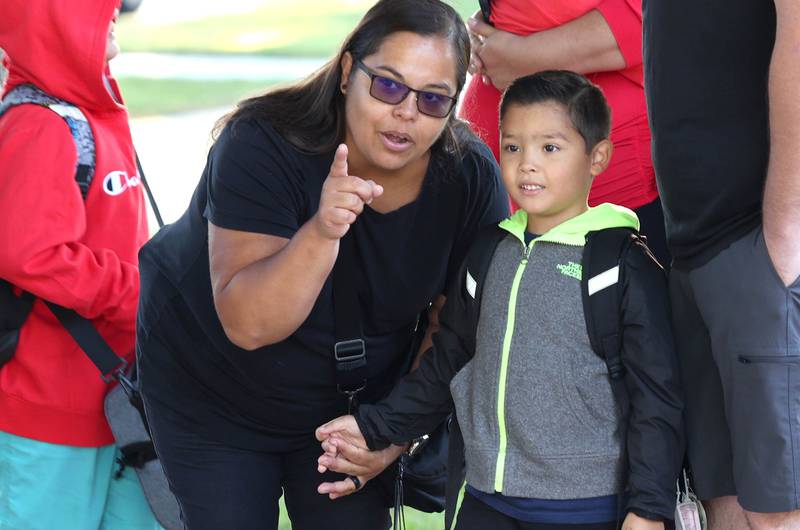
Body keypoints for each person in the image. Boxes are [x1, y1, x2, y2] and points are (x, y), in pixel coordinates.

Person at [134, 0, 509, 528]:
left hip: (351, 402)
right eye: (389, 86)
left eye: (432, 99)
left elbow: (459, 327)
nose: (407, 112)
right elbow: (250, 324)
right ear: (348, 71)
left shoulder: (467, 176)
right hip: (214, 389)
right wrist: (322, 231)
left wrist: (390, 433)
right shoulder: (262, 142)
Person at [317, 71, 684, 530]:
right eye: (513, 147)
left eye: (550, 148)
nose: (527, 164)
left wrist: (648, 509)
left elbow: (656, 397)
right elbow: (448, 360)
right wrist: (376, 428)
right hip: (487, 500)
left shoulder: (621, 265)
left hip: (587, 508)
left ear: (597, 157)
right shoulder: (488, 251)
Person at [0, 1, 161, 529]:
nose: (114, 10)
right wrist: (143, 296)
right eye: (99, 5)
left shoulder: (95, 113)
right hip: (49, 415)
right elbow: (30, 253)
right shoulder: (38, 123)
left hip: (120, 406)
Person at [644, 1, 800, 529]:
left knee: (778, 507)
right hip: (694, 244)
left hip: (758, 241)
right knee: (723, 495)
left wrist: (786, 234)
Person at [459, 0, 669, 266]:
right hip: (496, 198)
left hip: (614, 206)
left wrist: (527, 57)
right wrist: (481, 33)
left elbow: (656, 18)